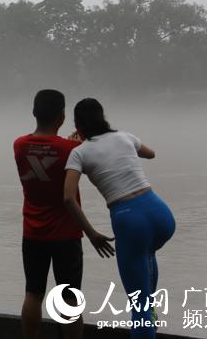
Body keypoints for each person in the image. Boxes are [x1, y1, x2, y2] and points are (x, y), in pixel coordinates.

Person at [63, 98, 175, 339]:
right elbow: (151, 154)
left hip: (131, 221)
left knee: (139, 307)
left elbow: (68, 198)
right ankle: (150, 312)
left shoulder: (78, 152)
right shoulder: (124, 137)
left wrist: (91, 234)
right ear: (103, 118)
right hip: (161, 214)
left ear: (77, 125)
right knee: (147, 255)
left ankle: (146, 317)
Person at [14, 89, 84, 339]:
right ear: (62, 116)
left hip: (33, 232)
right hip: (66, 233)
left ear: (34, 112)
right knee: (69, 295)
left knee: (33, 293)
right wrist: (74, 144)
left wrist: (67, 144)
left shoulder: (19, 145)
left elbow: (47, 151)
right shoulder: (72, 149)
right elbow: (65, 155)